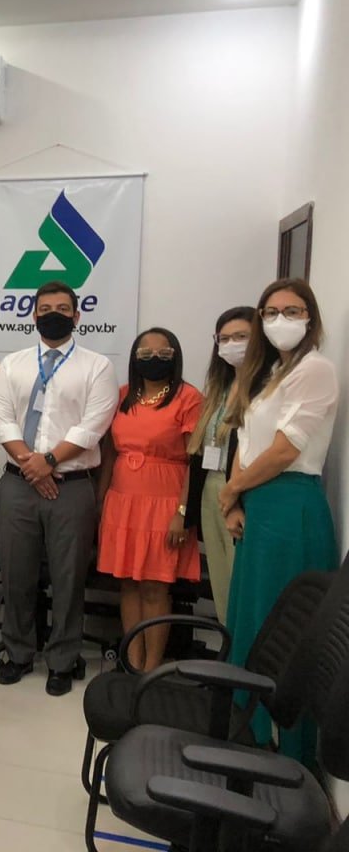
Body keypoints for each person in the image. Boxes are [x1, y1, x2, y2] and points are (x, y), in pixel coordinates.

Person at [221, 278, 339, 764]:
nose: (279, 320)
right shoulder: (271, 371)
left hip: (290, 505)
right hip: (259, 501)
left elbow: (285, 450)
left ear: (310, 318)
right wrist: (235, 501)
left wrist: (232, 490)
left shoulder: (315, 370)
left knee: (283, 626)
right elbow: (246, 440)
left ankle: (283, 753)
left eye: (291, 311)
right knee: (251, 620)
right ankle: (244, 733)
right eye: (270, 312)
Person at [0, 280, 119, 695]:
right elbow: (1, 420)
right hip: (17, 485)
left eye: (62, 308)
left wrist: (46, 463)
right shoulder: (13, 364)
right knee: (16, 574)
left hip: (73, 487)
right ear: (33, 315)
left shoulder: (98, 366)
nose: (53, 315)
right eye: (45, 309)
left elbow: (93, 425)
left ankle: (63, 660)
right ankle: (18, 651)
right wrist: (33, 466)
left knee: (68, 577)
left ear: (77, 316)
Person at [96, 328, 203, 672]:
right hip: (122, 502)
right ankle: (132, 662)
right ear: (134, 358)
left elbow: (195, 462)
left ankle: (152, 669)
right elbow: (109, 454)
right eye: (145, 354)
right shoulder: (122, 396)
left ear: (175, 356)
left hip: (165, 505)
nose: (154, 359)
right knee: (128, 584)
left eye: (163, 353)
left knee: (155, 588)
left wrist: (183, 513)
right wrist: (101, 503)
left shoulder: (188, 398)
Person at [185, 306, 254, 618]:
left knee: (243, 584)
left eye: (241, 337)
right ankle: (229, 641)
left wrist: (236, 496)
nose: (231, 345)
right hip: (210, 489)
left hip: (240, 492)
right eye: (224, 339)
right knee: (221, 583)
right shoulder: (220, 387)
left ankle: (243, 645)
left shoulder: (265, 388)